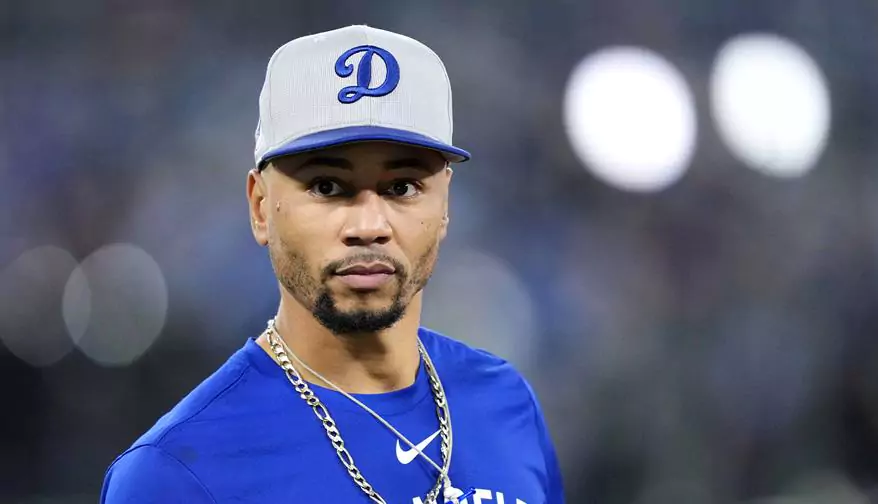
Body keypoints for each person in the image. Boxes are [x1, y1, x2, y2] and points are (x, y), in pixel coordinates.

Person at [100, 25, 565, 504]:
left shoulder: (507, 404)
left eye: (402, 187)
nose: (369, 225)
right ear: (260, 207)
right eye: (326, 186)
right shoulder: (173, 474)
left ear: (444, 204)